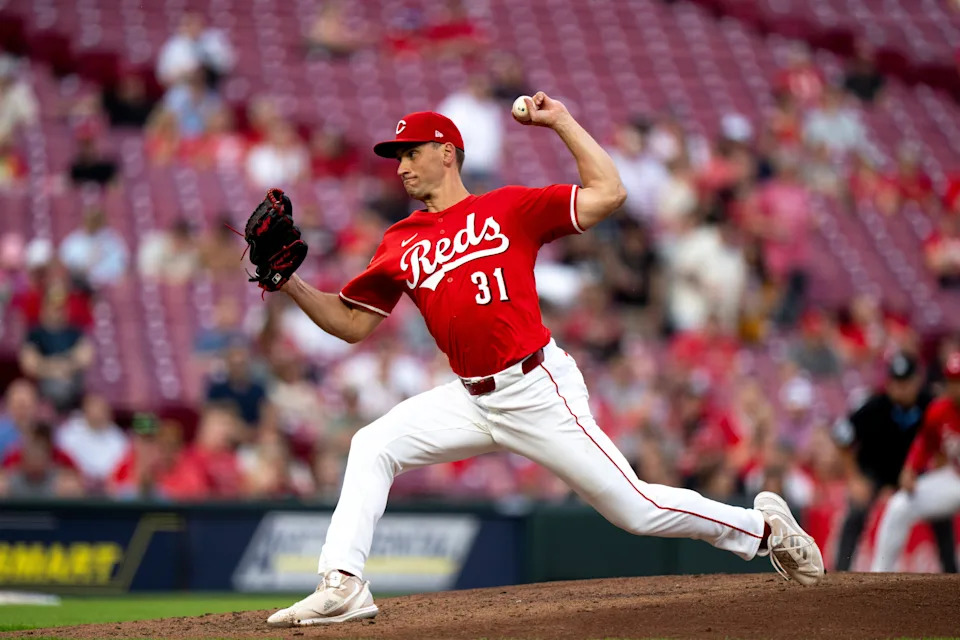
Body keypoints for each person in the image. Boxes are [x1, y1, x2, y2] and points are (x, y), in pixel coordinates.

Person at [264, 96, 824, 627]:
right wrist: (289, 284)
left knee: (636, 510)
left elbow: (609, 193)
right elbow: (351, 323)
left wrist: (559, 122)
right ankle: (342, 584)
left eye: (411, 152)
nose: (401, 166)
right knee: (372, 444)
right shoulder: (398, 240)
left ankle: (763, 528)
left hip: (535, 388)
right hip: (469, 397)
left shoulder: (508, 207)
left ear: (447, 153)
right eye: (397, 156)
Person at [833, 353, 957, 572]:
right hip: (875, 473)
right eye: (896, 382)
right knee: (856, 513)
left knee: (940, 516)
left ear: (917, 380)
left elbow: (931, 442)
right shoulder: (875, 405)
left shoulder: (930, 404)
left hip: (915, 474)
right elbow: (842, 436)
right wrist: (854, 479)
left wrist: (935, 469)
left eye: (906, 382)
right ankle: (840, 573)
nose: (901, 388)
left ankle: (951, 576)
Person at [871, 352, 960, 572]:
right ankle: (877, 577)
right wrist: (910, 469)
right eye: (951, 381)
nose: (955, 386)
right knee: (899, 506)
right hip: (955, 480)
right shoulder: (940, 410)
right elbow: (924, 444)